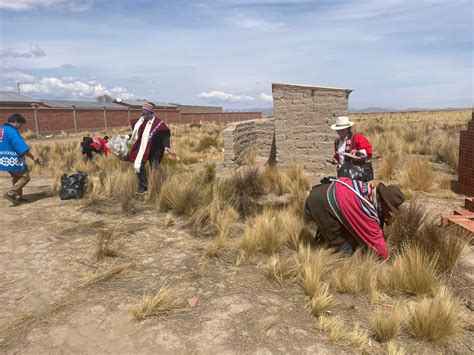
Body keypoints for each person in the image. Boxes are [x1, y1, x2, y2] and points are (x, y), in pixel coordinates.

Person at [304, 176, 405, 260]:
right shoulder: (366, 208)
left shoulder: (370, 192)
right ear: (384, 203)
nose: (390, 212)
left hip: (322, 193)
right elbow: (375, 239)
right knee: (344, 249)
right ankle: (331, 263)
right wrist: (387, 258)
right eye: (389, 208)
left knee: (351, 233)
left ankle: (324, 241)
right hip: (320, 204)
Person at [129, 102, 171, 193]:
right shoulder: (140, 123)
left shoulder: (158, 123)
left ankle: (156, 187)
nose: (145, 114)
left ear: (151, 112)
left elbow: (165, 136)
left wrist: (166, 146)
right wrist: (125, 137)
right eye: (143, 112)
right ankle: (144, 187)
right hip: (142, 149)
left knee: (154, 169)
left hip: (155, 150)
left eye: (147, 113)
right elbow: (136, 135)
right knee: (139, 166)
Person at [0, 113, 42, 205]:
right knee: (25, 176)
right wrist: (33, 157)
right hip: (12, 158)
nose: (21, 126)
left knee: (17, 177)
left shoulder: (1, 129)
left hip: (2, 158)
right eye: (21, 124)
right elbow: (20, 146)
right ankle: (11, 193)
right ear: (15, 122)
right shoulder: (12, 131)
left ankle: (18, 197)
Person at [329, 116, 374, 181]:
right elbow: (339, 156)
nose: (340, 132)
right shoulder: (337, 142)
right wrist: (335, 160)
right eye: (338, 130)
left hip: (356, 173)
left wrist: (358, 153)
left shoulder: (357, 138)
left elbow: (368, 152)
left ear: (348, 128)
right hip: (342, 172)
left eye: (342, 129)